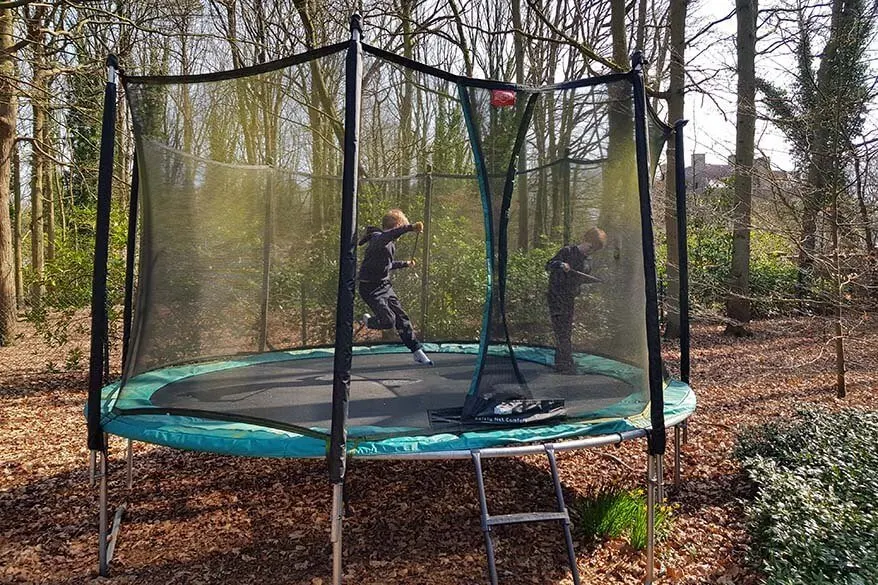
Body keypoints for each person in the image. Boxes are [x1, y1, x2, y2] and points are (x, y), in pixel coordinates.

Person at [357, 208, 433, 366]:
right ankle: (369, 322)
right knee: (388, 321)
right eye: (400, 228)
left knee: (401, 317)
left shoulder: (387, 243)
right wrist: (410, 227)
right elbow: (389, 235)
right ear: (396, 226)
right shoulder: (378, 238)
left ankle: (417, 351)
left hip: (384, 285)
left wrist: (404, 264)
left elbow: (386, 265)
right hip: (370, 288)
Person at [545, 227, 607, 373]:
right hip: (556, 296)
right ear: (585, 240)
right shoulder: (567, 252)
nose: (589, 251)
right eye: (590, 247)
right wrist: (561, 265)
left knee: (566, 330)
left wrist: (595, 281)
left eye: (593, 251)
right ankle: (564, 363)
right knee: (562, 330)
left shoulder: (587, 261)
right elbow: (548, 265)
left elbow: (581, 278)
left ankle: (564, 361)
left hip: (569, 298)